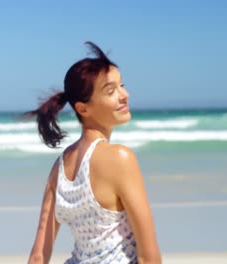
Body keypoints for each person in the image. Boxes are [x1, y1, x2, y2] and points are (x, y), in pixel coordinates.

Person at [26, 42, 161, 264]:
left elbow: (38, 256)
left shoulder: (59, 168)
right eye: (111, 91)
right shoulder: (120, 158)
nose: (124, 95)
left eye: (122, 85)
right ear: (83, 108)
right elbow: (149, 254)